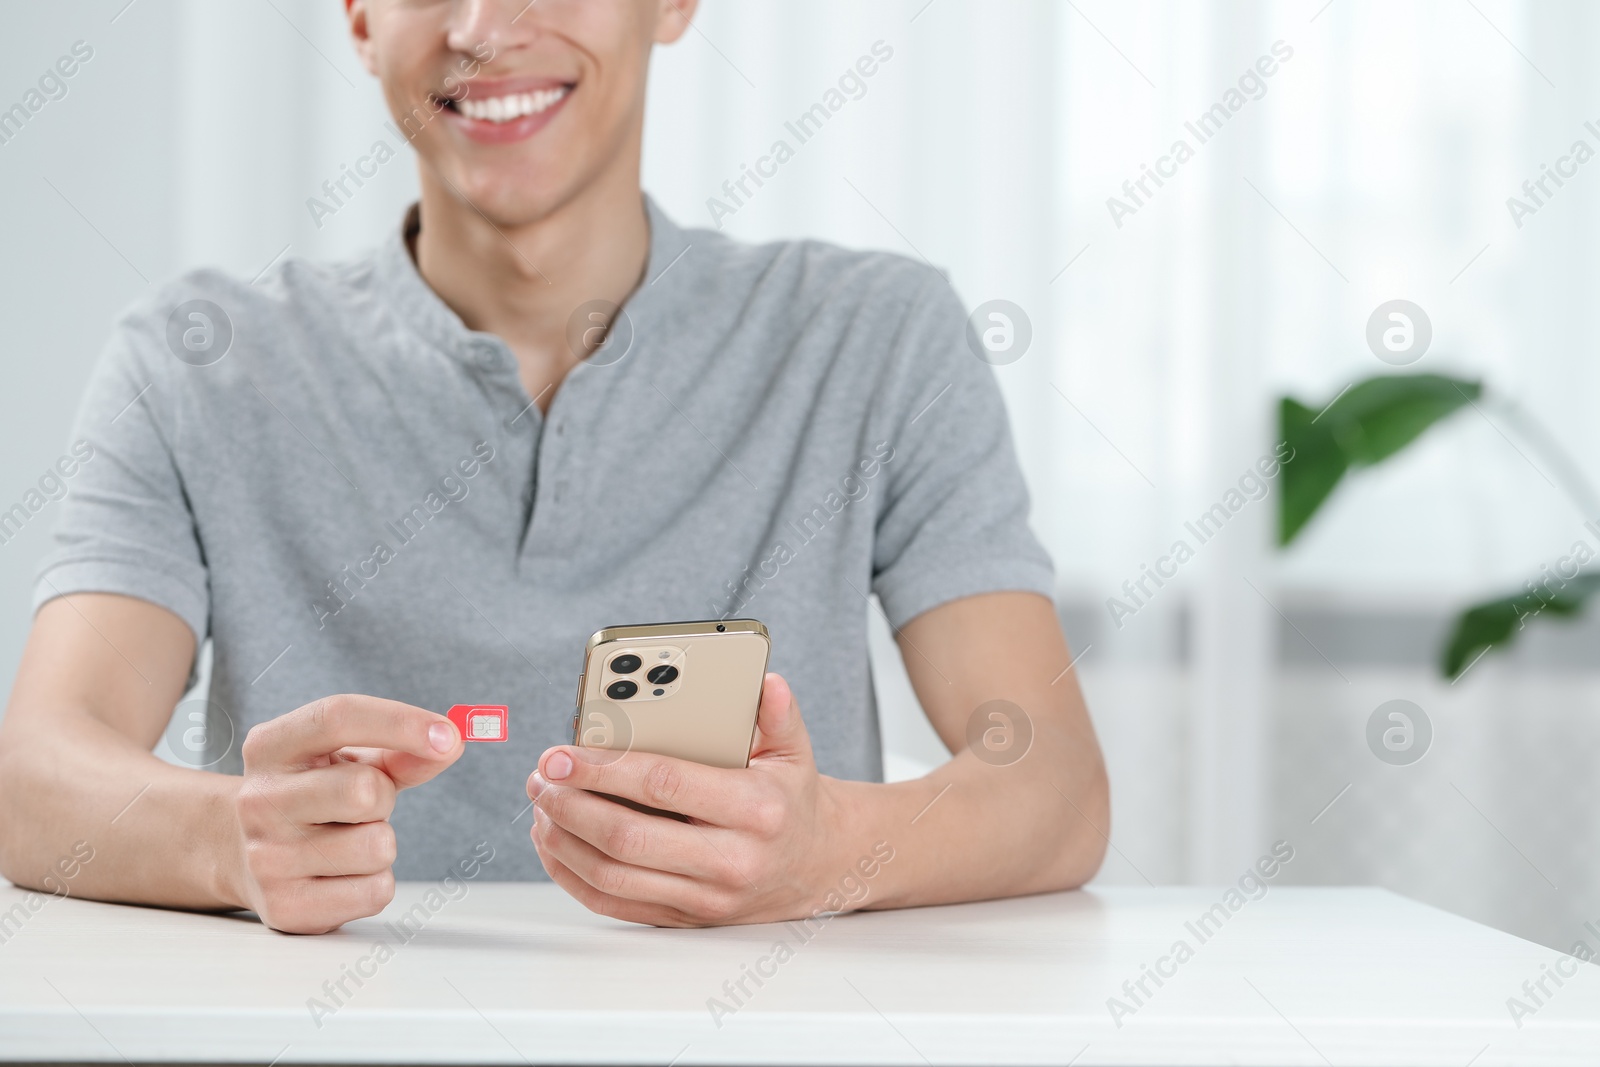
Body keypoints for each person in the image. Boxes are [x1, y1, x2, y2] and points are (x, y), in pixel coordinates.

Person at [0, 0, 1107, 933]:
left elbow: (1050, 783)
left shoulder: (877, 338)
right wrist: (222, 838)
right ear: (356, 16)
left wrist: (826, 850)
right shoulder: (196, 361)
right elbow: (38, 774)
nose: (483, 30)